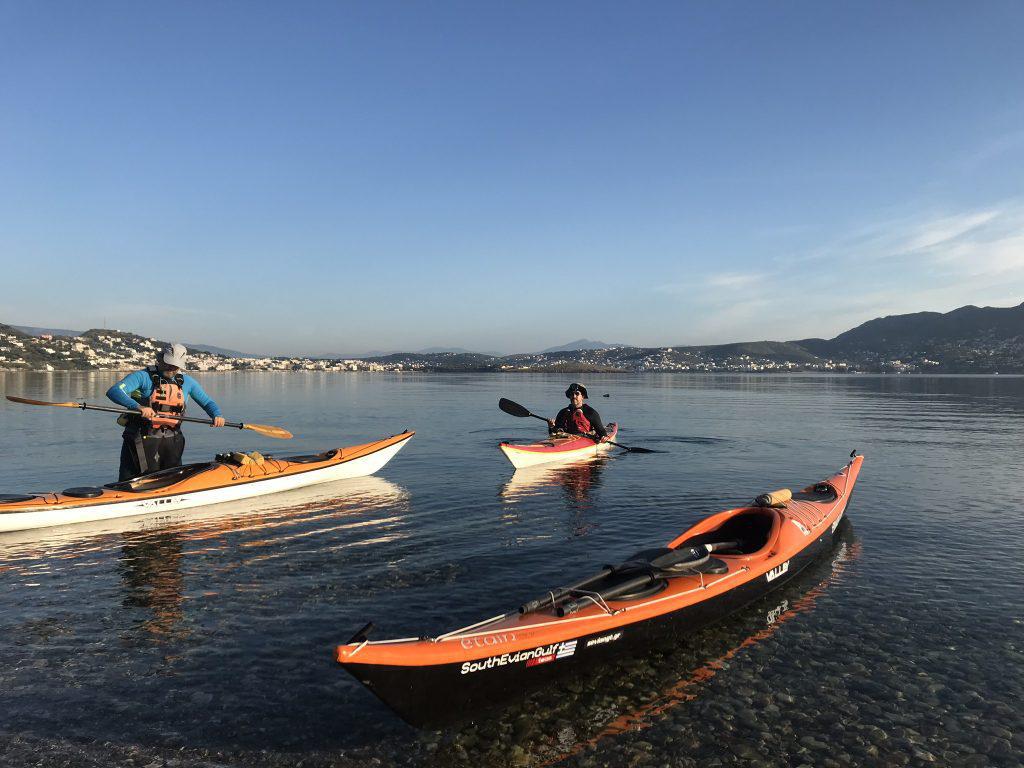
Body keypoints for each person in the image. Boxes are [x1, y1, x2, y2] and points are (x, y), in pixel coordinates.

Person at [106, 343, 226, 481]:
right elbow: (114, 392)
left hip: (172, 440)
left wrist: (216, 415)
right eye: (169, 363)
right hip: (141, 438)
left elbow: (207, 402)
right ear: (160, 359)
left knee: (171, 479)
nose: (172, 368)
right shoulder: (142, 376)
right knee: (131, 479)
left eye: (176, 366)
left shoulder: (187, 382)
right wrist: (137, 406)